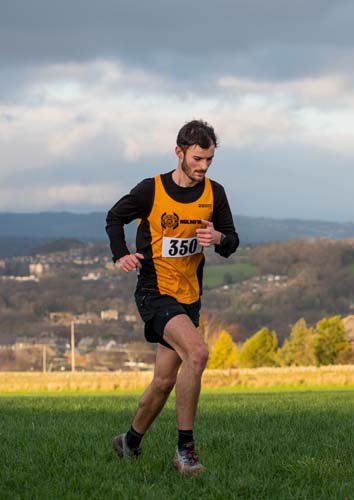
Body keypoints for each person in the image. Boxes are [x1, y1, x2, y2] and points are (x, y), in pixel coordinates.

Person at [105, 119, 239, 474]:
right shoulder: (151, 190)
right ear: (179, 152)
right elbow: (114, 218)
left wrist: (219, 239)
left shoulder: (215, 193)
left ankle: (129, 442)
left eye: (209, 160)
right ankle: (184, 452)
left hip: (189, 298)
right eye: (197, 158)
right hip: (154, 292)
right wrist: (121, 254)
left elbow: (231, 241)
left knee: (165, 380)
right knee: (198, 353)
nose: (203, 166)